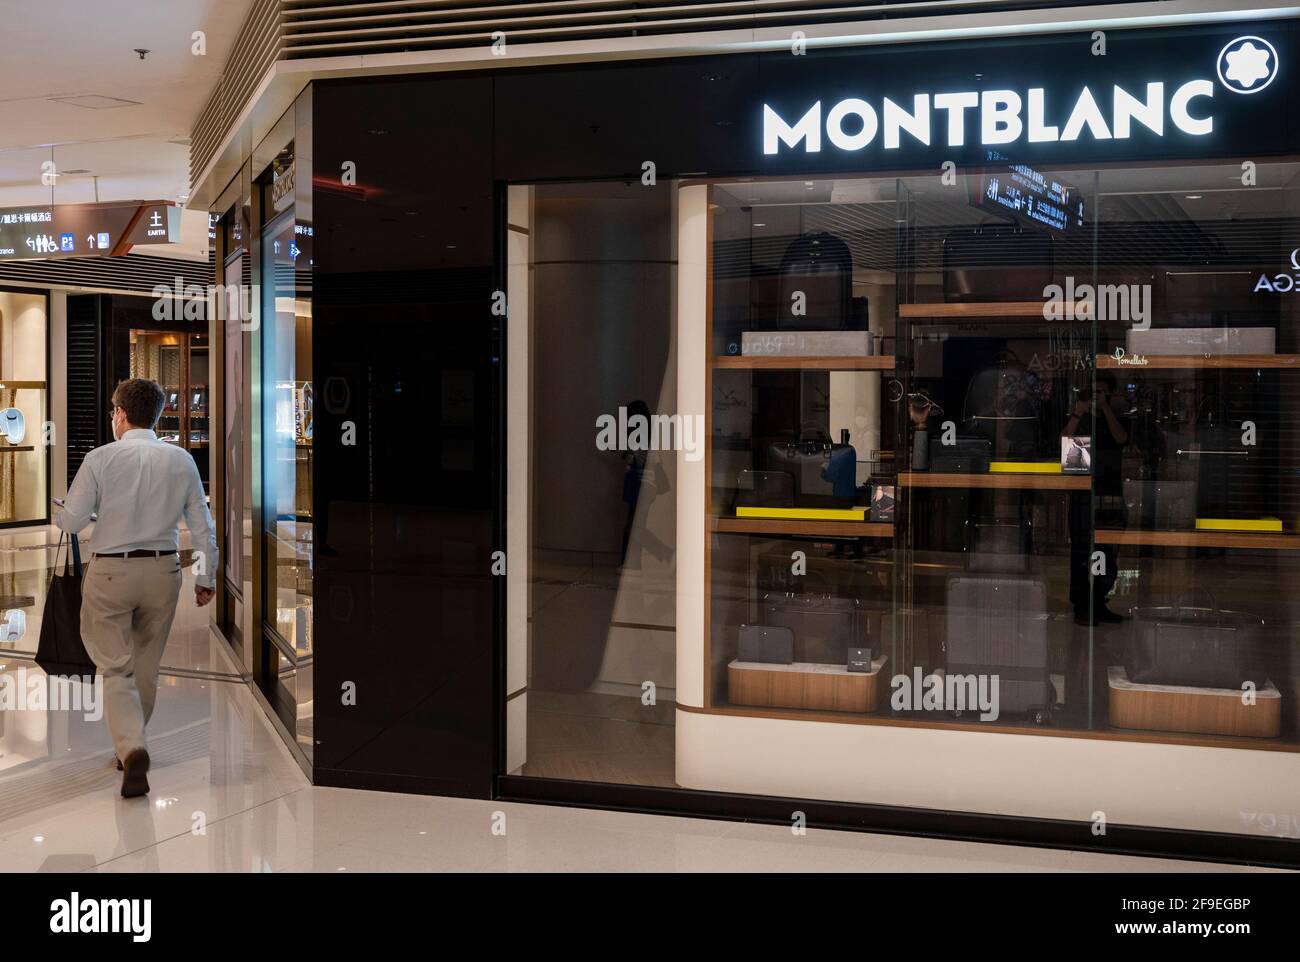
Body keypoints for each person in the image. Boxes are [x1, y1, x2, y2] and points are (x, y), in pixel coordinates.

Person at [55, 378, 218, 798]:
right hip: (162, 572)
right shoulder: (181, 460)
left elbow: (72, 523)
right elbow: (203, 527)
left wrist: (67, 512)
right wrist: (206, 577)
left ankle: (131, 748)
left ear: (121, 414)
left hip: (110, 573)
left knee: (114, 666)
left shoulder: (99, 459)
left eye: (113, 412)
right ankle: (132, 748)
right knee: (145, 666)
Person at [1063, 370, 1128, 626]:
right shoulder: (1080, 417)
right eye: (1093, 392)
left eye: (1101, 392)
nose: (1097, 396)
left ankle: (1099, 602)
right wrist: (1080, 411)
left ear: (1110, 393)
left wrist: (1106, 409)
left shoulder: (1117, 415)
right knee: (1081, 551)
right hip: (1083, 491)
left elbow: (1121, 438)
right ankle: (1082, 605)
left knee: (1108, 551)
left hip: (1110, 490)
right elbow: (1066, 446)